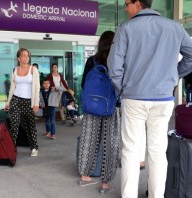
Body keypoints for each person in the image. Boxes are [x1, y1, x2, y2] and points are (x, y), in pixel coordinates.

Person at [107, 1, 192, 197]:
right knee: (157, 152)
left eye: (127, 4)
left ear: (138, 3)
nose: (125, 8)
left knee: (130, 151)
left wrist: (123, 88)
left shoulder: (126, 28)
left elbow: (114, 66)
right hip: (163, 98)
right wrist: (173, 77)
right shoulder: (174, 27)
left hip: (134, 98)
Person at [78, 31, 120, 195]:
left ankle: (85, 175)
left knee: (89, 141)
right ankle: (105, 183)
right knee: (110, 144)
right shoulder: (117, 60)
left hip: (91, 109)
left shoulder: (91, 61)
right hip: (110, 108)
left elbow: (83, 85)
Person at [4, 48, 40, 157]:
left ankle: (34, 147)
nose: (26, 57)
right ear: (19, 58)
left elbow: (37, 87)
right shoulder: (15, 70)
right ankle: (11, 148)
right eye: (24, 55)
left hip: (29, 101)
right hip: (16, 100)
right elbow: (12, 87)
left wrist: (36, 103)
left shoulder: (33, 70)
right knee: (14, 125)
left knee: (30, 126)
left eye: (28, 55)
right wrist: (8, 102)